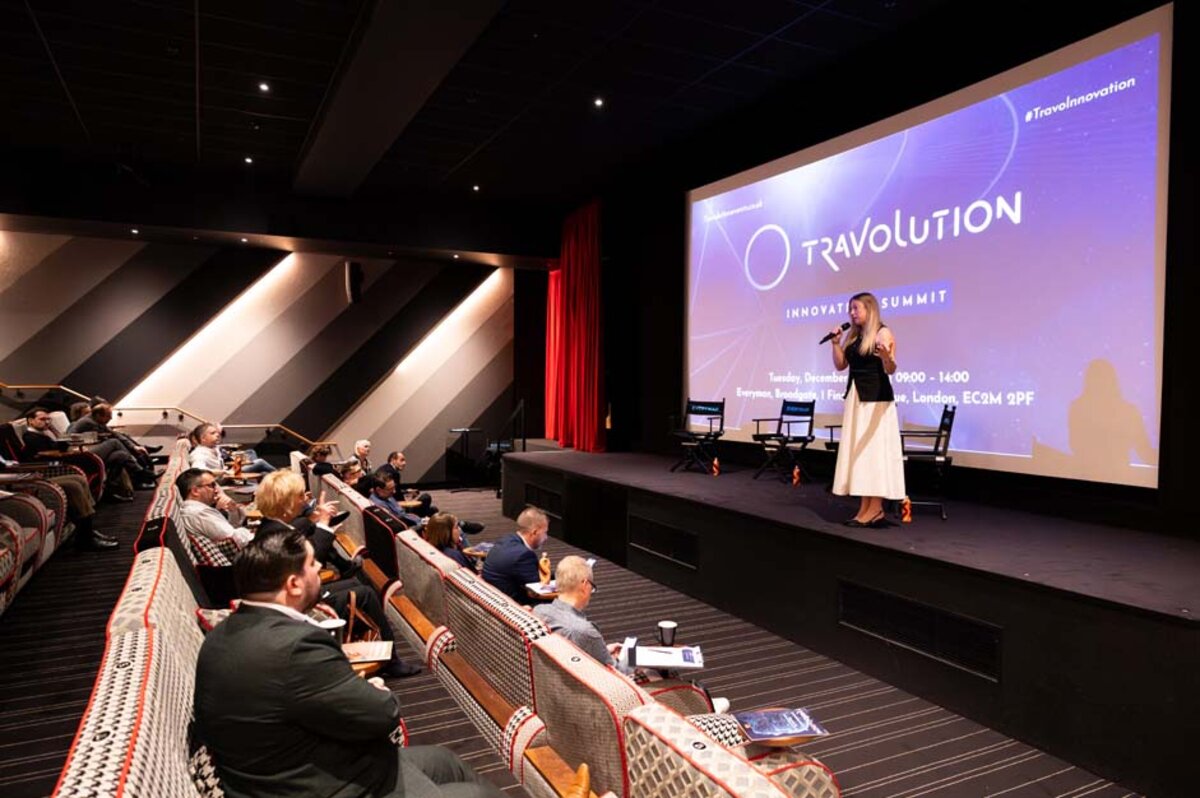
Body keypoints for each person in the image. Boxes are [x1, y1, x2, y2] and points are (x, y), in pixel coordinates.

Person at [193, 529, 502, 798]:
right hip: (321, 787)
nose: (319, 567)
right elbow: (383, 714)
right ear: (294, 584)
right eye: (312, 564)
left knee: (445, 760)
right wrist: (375, 690)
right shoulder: (296, 647)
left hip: (293, 769)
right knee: (479, 794)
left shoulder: (221, 635)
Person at [253, 470, 420, 677]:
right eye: (300, 496)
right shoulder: (276, 534)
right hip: (295, 607)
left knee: (355, 585)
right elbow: (311, 562)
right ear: (286, 502)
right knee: (366, 594)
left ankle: (366, 647)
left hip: (290, 597)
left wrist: (318, 521)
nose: (305, 500)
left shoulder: (272, 526)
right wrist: (323, 525)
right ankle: (390, 661)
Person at [828, 292, 906, 527]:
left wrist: (886, 356)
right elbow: (841, 365)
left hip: (875, 401)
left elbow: (891, 369)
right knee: (860, 454)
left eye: (856, 308)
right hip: (857, 397)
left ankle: (875, 509)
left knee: (874, 453)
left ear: (869, 310)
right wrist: (835, 343)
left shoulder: (883, 332)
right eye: (850, 309)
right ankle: (865, 507)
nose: (851, 313)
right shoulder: (854, 335)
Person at [0, 449, 116, 551]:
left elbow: (10, 463)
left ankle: (88, 531)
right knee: (73, 487)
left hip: (24, 474)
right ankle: (86, 540)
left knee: (79, 479)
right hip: (15, 483)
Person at [533, 556, 614, 666]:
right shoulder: (585, 631)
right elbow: (616, 671)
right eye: (592, 587)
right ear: (585, 585)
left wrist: (602, 650)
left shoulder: (539, 611)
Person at [481, 506, 552, 605]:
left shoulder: (506, 540)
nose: (546, 537)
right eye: (545, 532)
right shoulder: (524, 556)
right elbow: (540, 590)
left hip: (492, 597)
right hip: (512, 606)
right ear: (534, 532)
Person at [175, 468, 254, 548]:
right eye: (212, 485)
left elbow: (230, 530)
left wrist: (233, 510)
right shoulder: (200, 514)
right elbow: (236, 539)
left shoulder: (196, 510)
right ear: (195, 491)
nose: (216, 490)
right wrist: (252, 532)